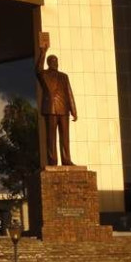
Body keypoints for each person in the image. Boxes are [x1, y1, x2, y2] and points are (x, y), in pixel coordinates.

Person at [35, 34, 77, 166]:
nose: (55, 63)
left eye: (56, 61)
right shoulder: (44, 74)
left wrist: (74, 110)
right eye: (53, 61)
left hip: (64, 109)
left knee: (65, 137)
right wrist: (43, 52)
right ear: (49, 63)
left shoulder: (64, 76)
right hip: (51, 109)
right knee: (51, 137)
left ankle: (66, 160)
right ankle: (52, 161)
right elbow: (38, 70)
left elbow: (69, 93)